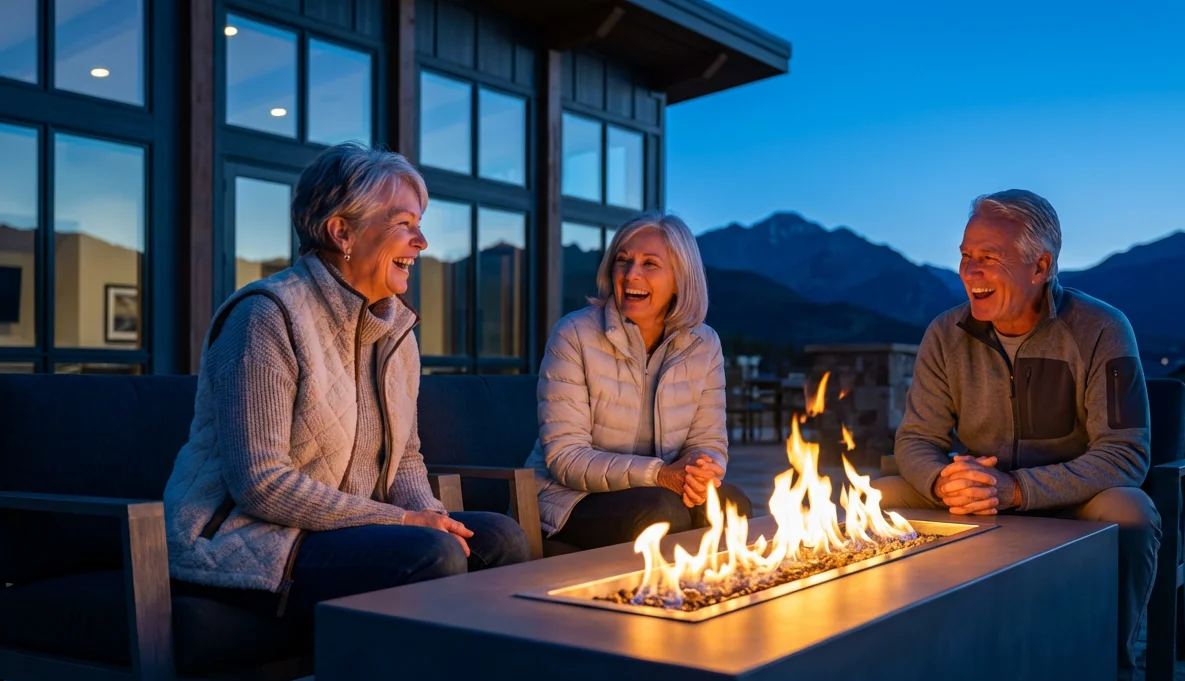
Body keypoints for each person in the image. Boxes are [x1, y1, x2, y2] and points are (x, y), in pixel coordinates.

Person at [163, 142, 528, 622]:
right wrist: (403, 522)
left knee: (501, 538)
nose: (421, 242)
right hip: (250, 539)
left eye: (420, 225)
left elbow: (406, 459)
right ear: (343, 232)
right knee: (432, 556)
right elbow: (261, 484)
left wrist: (430, 518)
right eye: (404, 224)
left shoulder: (394, 330)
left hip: (349, 529)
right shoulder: (265, 316)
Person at [872, 189, 1159, 681]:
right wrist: (940, 480)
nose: (970, 270)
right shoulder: (944, 334)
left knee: (1131, 513)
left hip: (1068, 493)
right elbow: (917, 440)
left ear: (1041, 265)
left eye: (988, 257)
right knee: (878, 495)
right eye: (964, 255)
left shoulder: (1102, 329)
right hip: (977, 489)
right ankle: (898, 667)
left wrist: (1020, 490)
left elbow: (1125, 454)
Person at [527, 211, 752, 550]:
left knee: (732, 505)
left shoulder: (704, 344)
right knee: (662, 513)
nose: (631, 274)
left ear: (680, 277)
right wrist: (661, 475)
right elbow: (566, 458)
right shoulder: (574, 334)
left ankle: (707, 599)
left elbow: (709, 440)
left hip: (660, 493)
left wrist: (703, 469)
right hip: (567, 500)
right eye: (623, 261)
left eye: (650, 264)